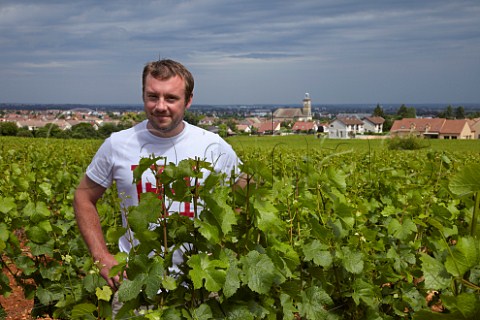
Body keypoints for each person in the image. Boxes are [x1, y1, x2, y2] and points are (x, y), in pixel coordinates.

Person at [73, 59, 244, 294]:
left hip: (202, 286)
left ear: (189, 100)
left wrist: (227, 249)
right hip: (135, 284)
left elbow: (245, 195)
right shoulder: (118, 144)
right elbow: (83, 197)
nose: (160, 106)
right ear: (143, 95)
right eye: (153, 96)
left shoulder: (213, 146)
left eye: (171, 98)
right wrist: (101, 256)